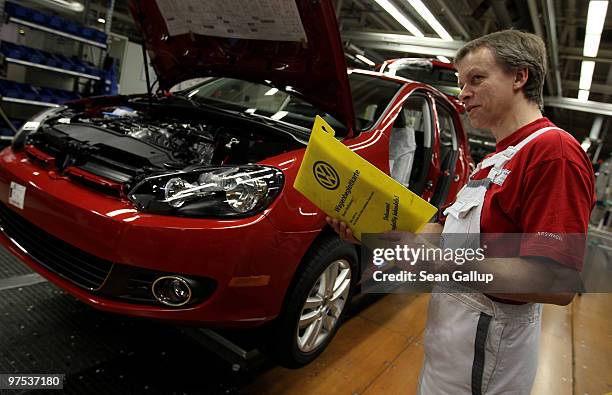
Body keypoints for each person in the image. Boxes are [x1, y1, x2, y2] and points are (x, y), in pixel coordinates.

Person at [327, 29, 594, 394]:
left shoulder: (553, 152)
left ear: (520, 76)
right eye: (461, 82)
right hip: (455, 349)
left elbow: (558, 282)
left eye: (476, 79)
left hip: (487, 359)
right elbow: (449, 234)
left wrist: (439, 262)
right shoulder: (494, 160)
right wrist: (375, 233)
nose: (463, 93)